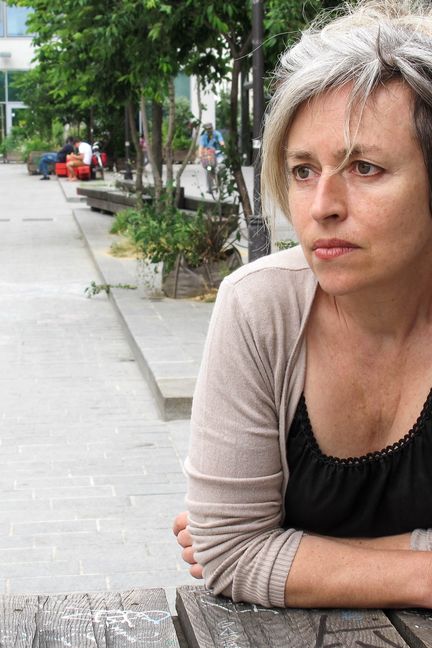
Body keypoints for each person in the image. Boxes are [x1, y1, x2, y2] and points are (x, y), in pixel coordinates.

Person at [174, 0, 432, 610]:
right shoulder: (258, 308)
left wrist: (293, 549)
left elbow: (232, 547)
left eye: (365, 168)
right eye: (302, 170)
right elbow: (230, 552)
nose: (322, 207)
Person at [198, 123, 224, 193]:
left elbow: (221, 142)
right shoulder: (203, 137)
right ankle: (210, 187)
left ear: (212, 128)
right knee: (208, 169)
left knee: (220, 168)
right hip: (209, 157)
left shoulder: (217, 134)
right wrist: (200, 155)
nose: (209, 130)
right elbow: (201, 147)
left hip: (218, 156)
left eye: (210, 128)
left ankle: (221, 183)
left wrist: (222, 146)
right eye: (207, 129)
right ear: (206, 129)